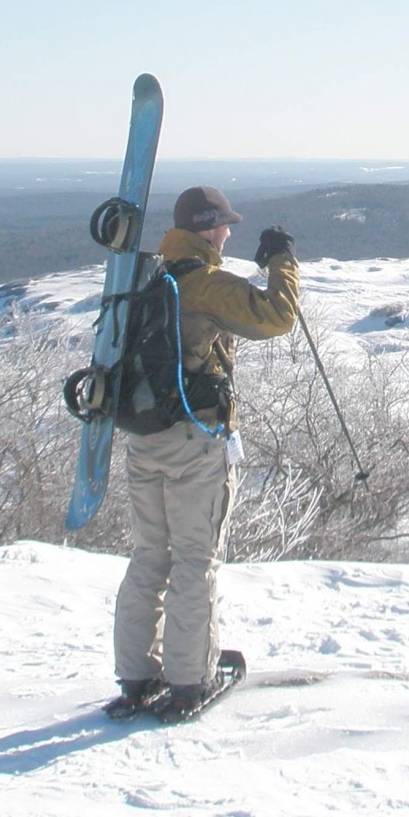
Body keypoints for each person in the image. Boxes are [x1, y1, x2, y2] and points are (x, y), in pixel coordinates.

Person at [108, 185, 299, 722]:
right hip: (195, 438)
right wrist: (283, 262)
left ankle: (136, 676)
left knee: (150, 557)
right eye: (225, 225)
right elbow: (275, 316)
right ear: (208, 226)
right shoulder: (203, 283)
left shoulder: (144, 276)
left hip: (143, 439)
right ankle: (191, 679)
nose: (229, 233)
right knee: (195, 559)